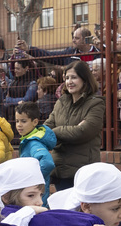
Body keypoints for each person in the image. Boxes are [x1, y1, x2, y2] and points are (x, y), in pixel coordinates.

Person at [45, 60, 104, 191]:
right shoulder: (61, 102)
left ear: (85, 79)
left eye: (74, 77)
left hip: (82, 171)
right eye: (67, 78)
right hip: (59, 170)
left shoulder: (96, 104)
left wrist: (56, 132)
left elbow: (82, 132)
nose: (69, 81)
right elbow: (46, 128)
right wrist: (67, 131)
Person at [14, 101, 56, 205]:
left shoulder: (34, 143)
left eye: (23, 121)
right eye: (17, 121)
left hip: (37, 198)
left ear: (35, 122)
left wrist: (33, 180)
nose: (19, 125)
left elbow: (48, 163)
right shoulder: (28, 140)